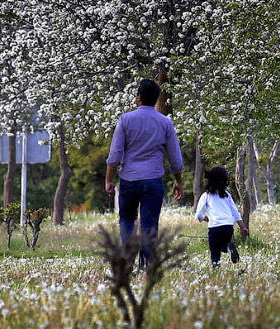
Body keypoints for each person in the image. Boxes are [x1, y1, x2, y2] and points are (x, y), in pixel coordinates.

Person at [105, 78, 185, 266]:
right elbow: (175, 157)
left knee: (126, 219)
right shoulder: (165, 122)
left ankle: (128, 256)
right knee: (150, 223)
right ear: (156, 99)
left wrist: (109, 179)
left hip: (128, 179)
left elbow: (115, 154)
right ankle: (146, 265)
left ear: (138, 97)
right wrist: (178, 180)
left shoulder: (125, 120)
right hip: (153, 179)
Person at [194, 166, 248, 267]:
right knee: (224, 245)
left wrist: (204, 218)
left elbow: (198, 215)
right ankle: (228, 248)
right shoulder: (227, 195)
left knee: (215, 252)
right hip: (228, 226)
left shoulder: (206, 195)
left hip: (214, 227)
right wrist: (242, 227)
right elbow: (235, 212)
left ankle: (216, 269)